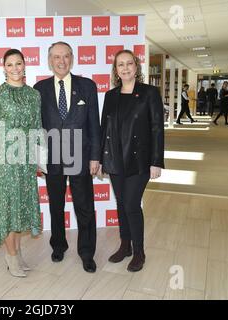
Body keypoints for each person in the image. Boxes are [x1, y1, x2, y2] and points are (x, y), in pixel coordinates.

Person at [34, 42, 101, 273]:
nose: (61, 61)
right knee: (56, 206)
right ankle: (58, 246)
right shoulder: (39, 88)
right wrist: (37, 159)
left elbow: (94, 124)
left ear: (72, 58)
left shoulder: (87, 86)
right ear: (49, 60)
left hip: (81, 158)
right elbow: (37, 128)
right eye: (56, 57)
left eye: (65, 56)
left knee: (84, 206)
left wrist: (95, 157)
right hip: (52, 159)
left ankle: (86, 252)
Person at [99, 49, 164, 272]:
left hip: (139, 161)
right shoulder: (110, 95)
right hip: (116, 160)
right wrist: (100, 159)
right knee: (121, 204)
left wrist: (156, 161)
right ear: (115, 70)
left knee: (131, 205)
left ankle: (139, 252)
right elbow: (103, 129)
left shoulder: (149, 93)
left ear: (136, 67)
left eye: (129, 63)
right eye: (120, 65)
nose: (125, 68)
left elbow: (157, 129)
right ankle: (125, 246)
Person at [0, 49, 43, 278]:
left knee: (21, 207)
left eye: (19, 63)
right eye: (10, 64)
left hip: (26, 160)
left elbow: (37, 128)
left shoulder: (33, 95)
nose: (15, 68)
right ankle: (10, 257)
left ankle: (17, 253)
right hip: (4, 159)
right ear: (4, 68)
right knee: (8, 208)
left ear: (25, 65)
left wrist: (38, 158)